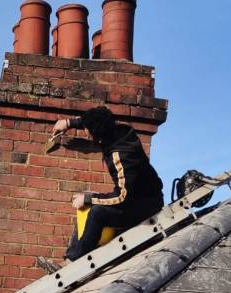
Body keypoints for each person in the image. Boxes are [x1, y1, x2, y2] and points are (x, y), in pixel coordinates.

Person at [37, 106, 164, 274]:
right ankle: (74, 255)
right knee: (89, 202)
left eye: (88, 130)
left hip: (144, 206)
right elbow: (95, 120)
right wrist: (68, 123)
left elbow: (123, 197)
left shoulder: (121, 155)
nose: (86, 132)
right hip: (138, 197)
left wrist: (88, 200)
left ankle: (71, 263)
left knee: (97, 212)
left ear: (96, 133)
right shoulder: (119, 132)